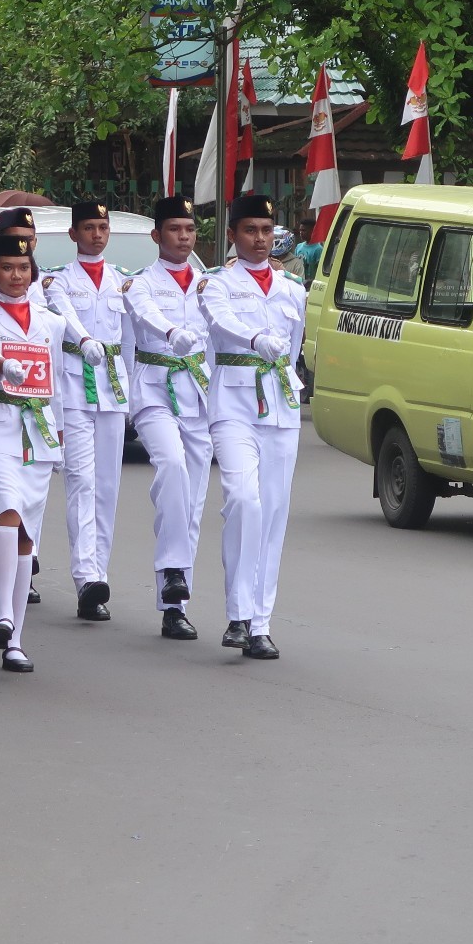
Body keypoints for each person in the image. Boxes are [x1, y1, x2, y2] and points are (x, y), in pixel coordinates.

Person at [0, 235, 92, 673]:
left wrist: (58, 435)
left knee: (25, 536)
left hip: (37, 433)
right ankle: (2, 612)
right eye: (7, 268)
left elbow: (54, 381)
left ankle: (15, 639)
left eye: (23, 268)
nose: (16, 276)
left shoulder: (51, 322)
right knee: (8, 510)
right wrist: (3, 365)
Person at [200, 195, 306, 660]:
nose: (259, 239)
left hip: (280, 407)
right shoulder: (217, 284)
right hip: (234, 403)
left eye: (266, 230)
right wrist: (255, 338)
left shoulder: (293, 290)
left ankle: (259, 623)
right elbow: (219, 324)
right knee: (244, 499)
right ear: (232, 236)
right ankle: (237, 613)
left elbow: (295, 346)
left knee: (273, 514)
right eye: (249, 230)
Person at [124, 195, 212, 639]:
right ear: (156, 236)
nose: (183, 237)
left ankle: (174, 605)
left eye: (189, 230)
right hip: (155, 388)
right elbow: (145, 314)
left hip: (197, 392)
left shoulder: (207, 283)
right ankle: (172, 567)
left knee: (190, 501)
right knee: (172, 466)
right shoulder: (140, 283)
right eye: (174, 230)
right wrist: (172, 331)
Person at [42, 202, 130, 621]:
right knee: (81, 480)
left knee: (108, 486)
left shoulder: (122, 282)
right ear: (73, 234)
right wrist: (83, 339)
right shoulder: (58, 281)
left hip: (111, 389)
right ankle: (85, 576)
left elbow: (128, 341)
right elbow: (66, 317)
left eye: (103, 227)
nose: (97, 234)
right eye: (89, 228)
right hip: (76, 387)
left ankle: (101, 574)